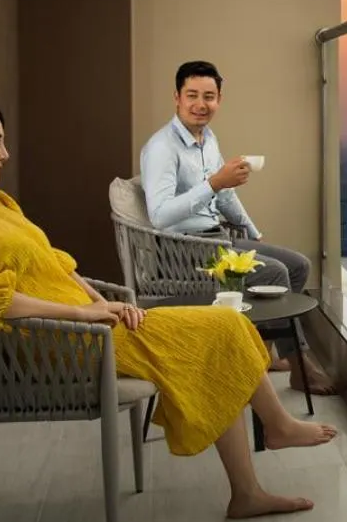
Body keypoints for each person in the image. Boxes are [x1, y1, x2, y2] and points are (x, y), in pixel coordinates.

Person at [0, 93, 334, 519]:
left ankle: (252, 479)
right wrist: (84, 315)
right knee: (220, 330)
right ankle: (268, 446)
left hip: (92, 325)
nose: (5, 153)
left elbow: (57, 267)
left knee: (225, 325)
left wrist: (103, 303)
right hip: (56, 344)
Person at [139, 60, 329, 392]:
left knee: (298, 265)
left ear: (219, 100)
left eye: (209, 97)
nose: (201, 105)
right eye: (192, 95)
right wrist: (213, 183)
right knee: (274, 273)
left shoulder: (207, 139)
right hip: (181, 251)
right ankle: (300, 367)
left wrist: (252, 231)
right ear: (177, 98)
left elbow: (224, 194)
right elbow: (159, 216)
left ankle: (265, 354)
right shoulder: (161, 148)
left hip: (216, 241)